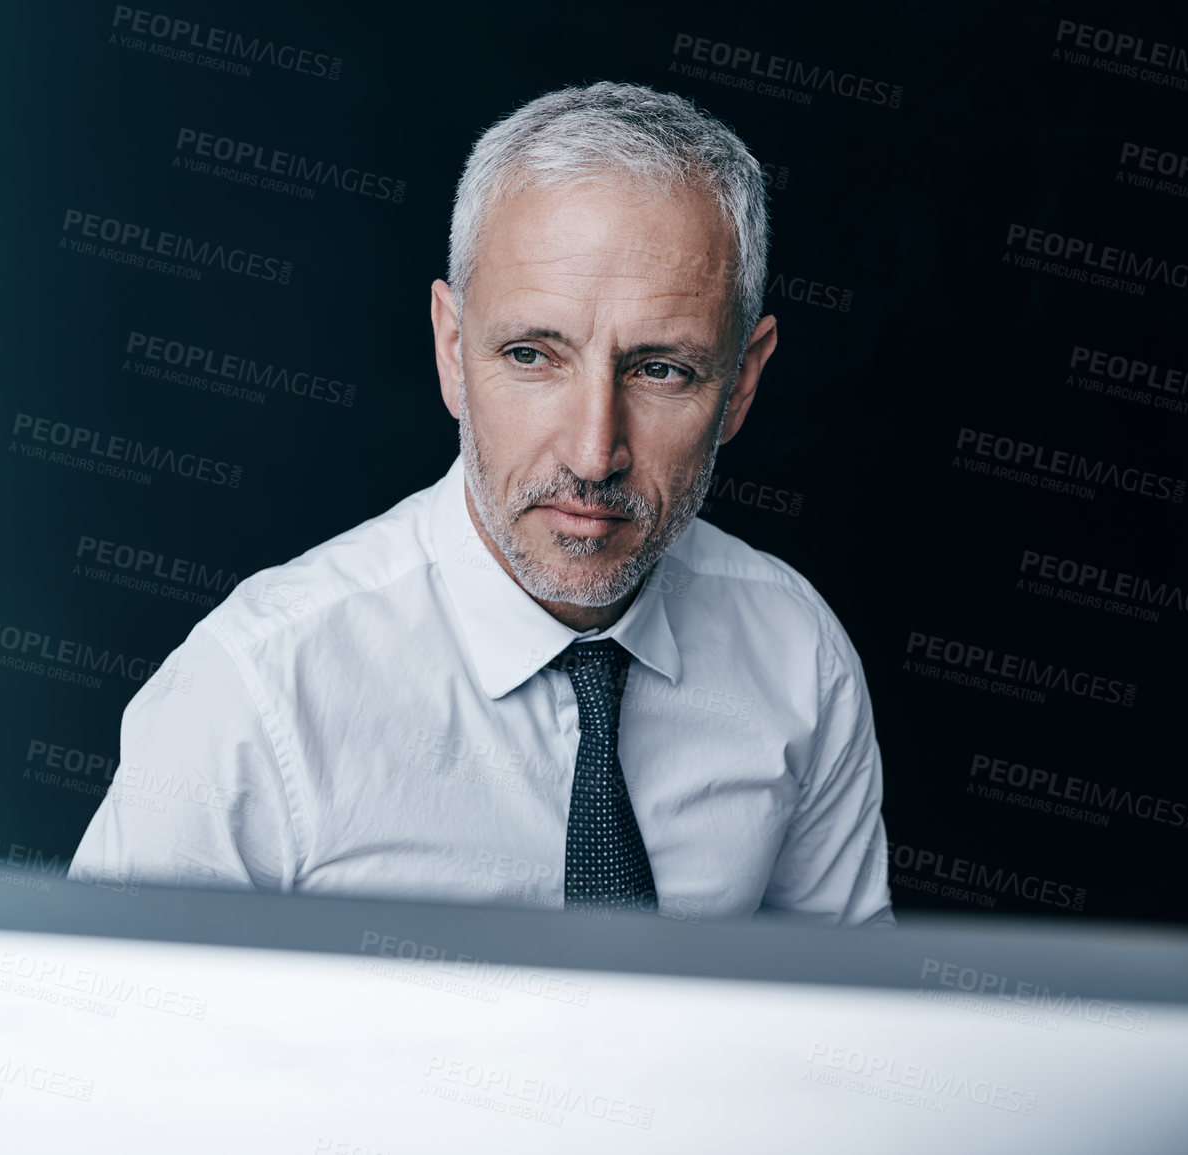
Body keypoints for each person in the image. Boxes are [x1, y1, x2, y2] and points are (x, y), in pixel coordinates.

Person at [69, 81, 894, 927]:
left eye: (660, 370)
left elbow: (843, 1040)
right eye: (533, 355)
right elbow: (102, 1038)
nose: (591, 452)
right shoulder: (256, 694)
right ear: (453, 350)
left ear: (743, 382)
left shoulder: (798, 659)